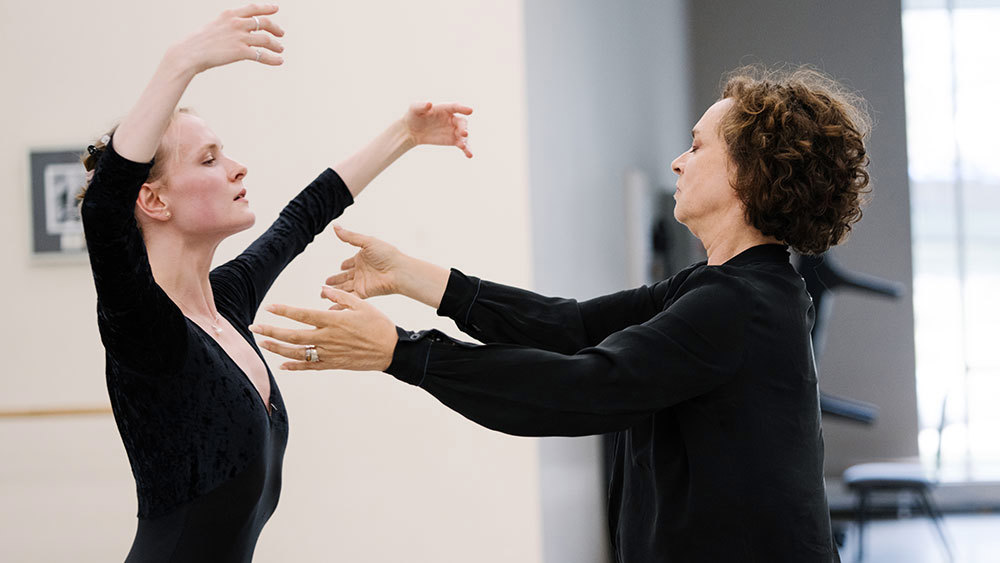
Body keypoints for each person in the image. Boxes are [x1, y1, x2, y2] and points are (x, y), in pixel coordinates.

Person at [251, 65, 870, 562]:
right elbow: (570, 327)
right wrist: (417, 279)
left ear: (749, 172)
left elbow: (578, 390)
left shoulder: (737, 305)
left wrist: (403, 352)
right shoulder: (726, 288)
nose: (679, 162)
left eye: (696, 145)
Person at [80, 5, 472, 561]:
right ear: (154, 199)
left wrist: (405, 134)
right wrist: (182, 61)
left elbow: (302, 218)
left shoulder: (226, 305)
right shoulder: (144, 330)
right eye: (210, 159)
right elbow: (103, 210)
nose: (237, 168)